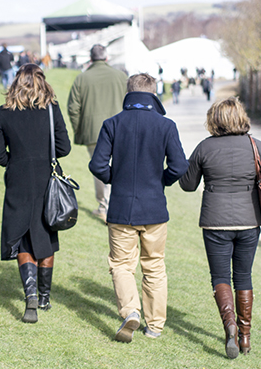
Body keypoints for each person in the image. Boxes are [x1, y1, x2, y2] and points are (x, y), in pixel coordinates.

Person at [179, 97, 261, 359]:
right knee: (244, 276)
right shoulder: (256, 146)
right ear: (241, 117)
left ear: (214, 120)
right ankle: (245, 338)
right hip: (249, 222)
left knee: (220, 277)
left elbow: (188, 185)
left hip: (215, 222)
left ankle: (229, 327)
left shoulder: (205, 148)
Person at [89, 73, 189, 343]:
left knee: (121, 265)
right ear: (153, 93)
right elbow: (180, 166)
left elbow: (97, 165)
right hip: (155, 208)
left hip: (121, 208)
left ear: (129, 92)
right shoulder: (166, 125)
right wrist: (161, 182)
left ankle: (130, 310)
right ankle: (155, 326)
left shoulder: (112, 124)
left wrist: (116, 179)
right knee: (154, 266)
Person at [0, 63, 71, 323]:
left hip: (18, 179)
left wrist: (16, 160)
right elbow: (65, 147)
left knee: (24, 238)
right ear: (42, 82)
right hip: (47, 178)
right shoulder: (51, 109)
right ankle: (45, 297)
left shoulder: (3, 113)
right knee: (46, 235)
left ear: (16, 83)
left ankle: (31, 296)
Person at [67, 44, 127, 221]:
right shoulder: (121, 76)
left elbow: (73, 108)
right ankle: (115, 206)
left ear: (90, 59)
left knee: (100, 170)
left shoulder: (81, 78)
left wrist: (80, 129)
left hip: (93, 131)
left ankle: (104, 206)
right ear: (106, 57)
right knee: (120, 168)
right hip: (120, 131)